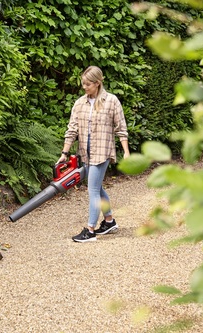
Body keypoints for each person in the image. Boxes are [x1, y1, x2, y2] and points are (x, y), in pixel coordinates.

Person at [56, 66, 130, 243]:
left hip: (102, 152)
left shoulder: (111, 101)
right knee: (97, 187)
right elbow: (72, 129)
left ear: (97, 83)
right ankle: (109, 221)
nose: (84, 87)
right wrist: (65, 153)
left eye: (88, 84)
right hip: (85, 153)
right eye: (83, 83)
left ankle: (90, 231)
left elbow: (121, 129)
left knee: (93, 189)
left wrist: (126, 152)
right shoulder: (80, 103)